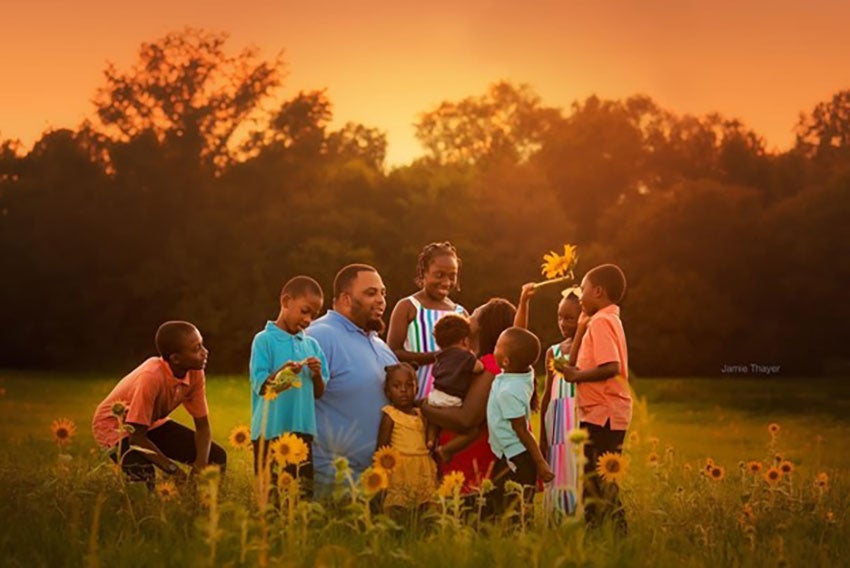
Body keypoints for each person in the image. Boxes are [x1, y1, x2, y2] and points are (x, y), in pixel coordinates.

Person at [91, 321, 226, 488]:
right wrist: (173, 470)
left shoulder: (195, 372)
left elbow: (203, 427)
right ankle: (138, 508)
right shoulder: (151, 376)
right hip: (116, 426)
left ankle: (199, 503)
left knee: (216, 457)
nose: (205, 352)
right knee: (143, 474)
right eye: (196, 349)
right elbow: (137, 438)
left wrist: (200, 464)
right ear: (176, 358)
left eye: (202, 345)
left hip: (150, 422)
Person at [307, 264, 398, 490]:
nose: (381, 300)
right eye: (371, 293)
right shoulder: (319, 336)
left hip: (377, 486)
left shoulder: (381, 346)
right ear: (346, 299)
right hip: (333, 483)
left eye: (382, 293)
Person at [420, 298, 516, 494]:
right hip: (460, 462)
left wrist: (425, 407)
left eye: (473, 314)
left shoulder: (491, 365)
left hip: (473, 466)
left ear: (483, 326)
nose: (467, 316)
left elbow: (467, 419)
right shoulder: (472, 361)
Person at [561, 264, 630, 531]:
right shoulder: (604, 319)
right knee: (599, 479)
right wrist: (580, 326)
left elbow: (610, 366)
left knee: (595, 480)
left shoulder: (602, 321)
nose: (580, 294)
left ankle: (606, 534)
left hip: (604, 413)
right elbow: (578, 360)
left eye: (583, 288)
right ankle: (610, 533)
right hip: (601, 411)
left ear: (598, 291)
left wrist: (576, 376)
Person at [249, 276, 329, 497]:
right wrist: (282, 372)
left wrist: (316, 375)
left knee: (302, 494)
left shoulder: (312, 345)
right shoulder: (263, 340)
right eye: (304, 311)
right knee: (271, 495)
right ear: (286, 301)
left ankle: (299, 532)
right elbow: (263, 387)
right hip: (269, 431)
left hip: (301, 431)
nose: (308, 319)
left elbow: (319, 393)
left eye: (313, 315)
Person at [515, 283, 582, 516]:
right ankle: (558, 518)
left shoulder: (587, 347)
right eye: (560, 317)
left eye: (570, 318)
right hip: (556, 420)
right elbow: (547, 395)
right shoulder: (553, 351)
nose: (563, 323)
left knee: (578, 468)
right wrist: (543, 437)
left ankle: (581, 518)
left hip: (577, 417)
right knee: (559, 468)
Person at [486, 327, 554, 515]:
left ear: (506, 361)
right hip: (508, 455)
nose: (495, 348)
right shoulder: (524, 372)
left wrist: (540, 462)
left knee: (515, 510)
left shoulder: (509, 392)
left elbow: (522, 431)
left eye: (498, 346)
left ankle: (520, 539)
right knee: (503, 504)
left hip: (516, 458)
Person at [387, 242, 466, 398]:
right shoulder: (408, 306)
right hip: (414, 398)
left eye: (452, 276)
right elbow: (393, 353)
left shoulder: (460, 312)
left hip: (451, 402)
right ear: (424, 273)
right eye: (439, 275)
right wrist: (438, 355)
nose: (446, 282)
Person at [376, 363, 437, 510]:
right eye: (396, 386)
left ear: (416, 388)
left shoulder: (421, 413)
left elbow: (429, 435)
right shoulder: (390, 415)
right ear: (388, 392)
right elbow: (381, 449)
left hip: (422, 467)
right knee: (399, 507)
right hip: (400, 470)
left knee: (424, 507)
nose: (403, 390)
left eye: (409, 385)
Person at [426, 313, 485, 463]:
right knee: (472, 430)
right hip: (452, 399)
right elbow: (479, 368)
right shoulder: (466, 356)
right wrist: (472, 356)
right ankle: (446, 450)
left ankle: (430, 440)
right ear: (464, 340)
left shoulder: (440, 356)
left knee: (434, 418)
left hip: (435, 395)